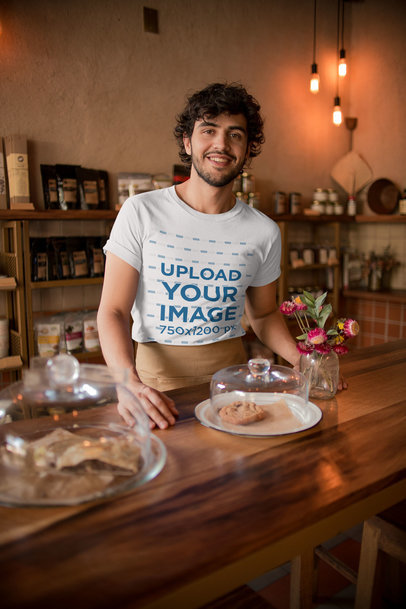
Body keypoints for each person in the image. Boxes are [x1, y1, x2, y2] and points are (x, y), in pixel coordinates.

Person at [97, 82, 301, 430]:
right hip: (153, 389)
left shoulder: (264, 231)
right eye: (209, 130)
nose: (221, 144)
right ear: (188, 142)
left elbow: (264, 314)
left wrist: (303, 360)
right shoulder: (141, 211)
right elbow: (113, 311)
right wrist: (127, 382)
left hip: (234, 387)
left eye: (235, 134)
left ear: (248, 150)